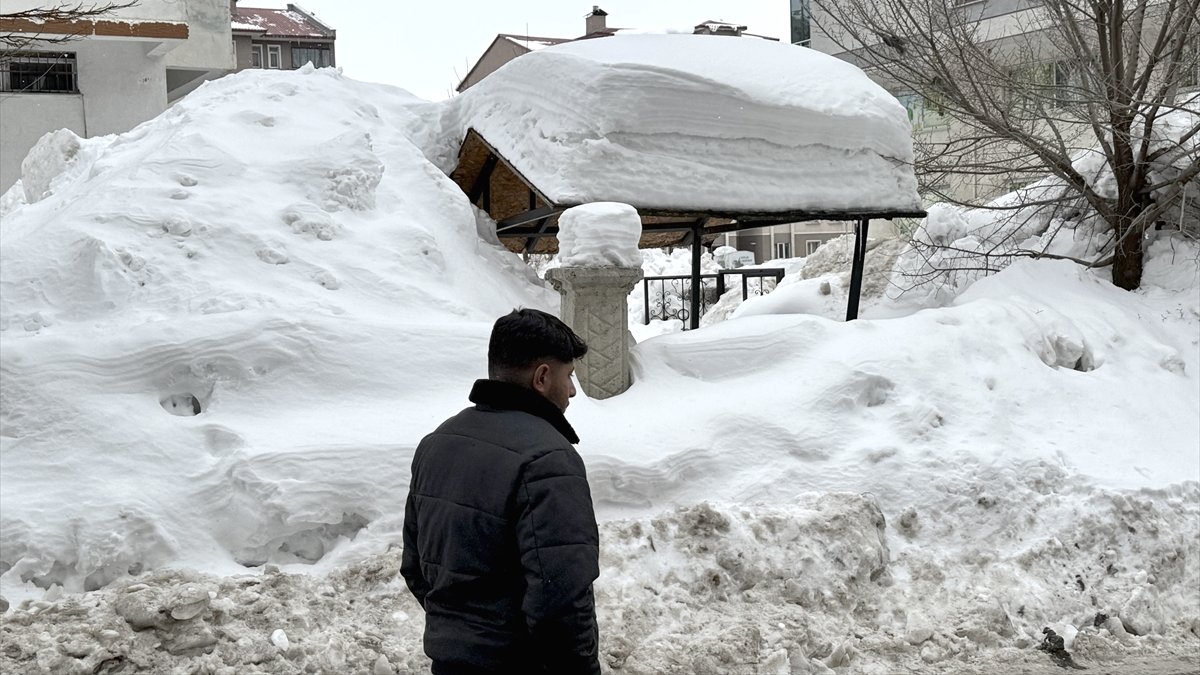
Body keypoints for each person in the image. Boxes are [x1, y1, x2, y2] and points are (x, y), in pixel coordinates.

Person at [401, 308, 602, 675]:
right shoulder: (548, 459)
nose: (573, 391)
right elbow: (561, 599)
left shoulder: (436, 443)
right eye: (569, 376)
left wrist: (462, 631)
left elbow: (415, 567)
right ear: (542, 377)